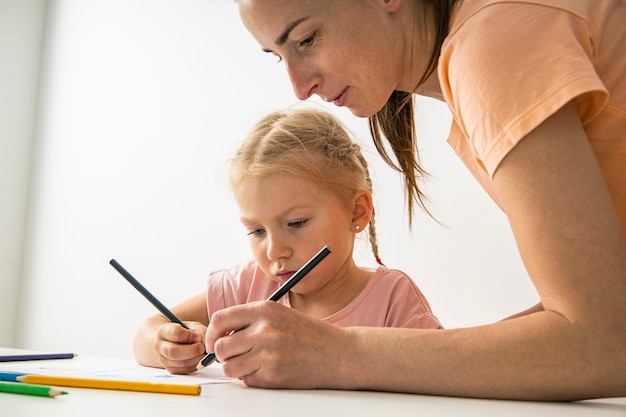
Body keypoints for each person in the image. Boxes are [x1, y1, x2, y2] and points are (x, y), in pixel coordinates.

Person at [203, 0, 626, 401]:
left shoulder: (494, 43)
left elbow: (604, 341)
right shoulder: (489, 37)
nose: (299, 87)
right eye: (279, 56)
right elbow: (598, 313)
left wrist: (336, 353)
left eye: (307, 39)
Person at [133, 107, 443, 374]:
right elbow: (146, 334)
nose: (274, 250)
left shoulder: (392, 299)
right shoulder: (244, 288)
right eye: (257, 231)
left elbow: (437, 372)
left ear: (357, 212)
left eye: (296, 223)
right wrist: (167, 345)